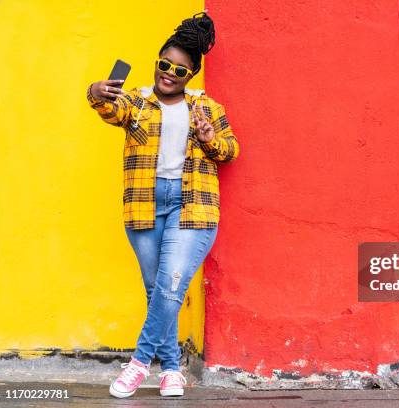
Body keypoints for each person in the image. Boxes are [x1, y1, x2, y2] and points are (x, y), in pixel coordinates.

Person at [86, 11, 240, 399]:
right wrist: (95, 90)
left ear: (191, 76)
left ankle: (139, 364)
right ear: (157, 63)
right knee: (158, 291)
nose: (169, 73)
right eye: (164, 64)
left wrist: (208, 137)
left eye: (180, 70)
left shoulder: (209, 109)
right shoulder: (135, 102)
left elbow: (230, 151)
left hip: (192, 207)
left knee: (170, 288)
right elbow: (109, 109)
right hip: (144, 205)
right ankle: (172, 370)